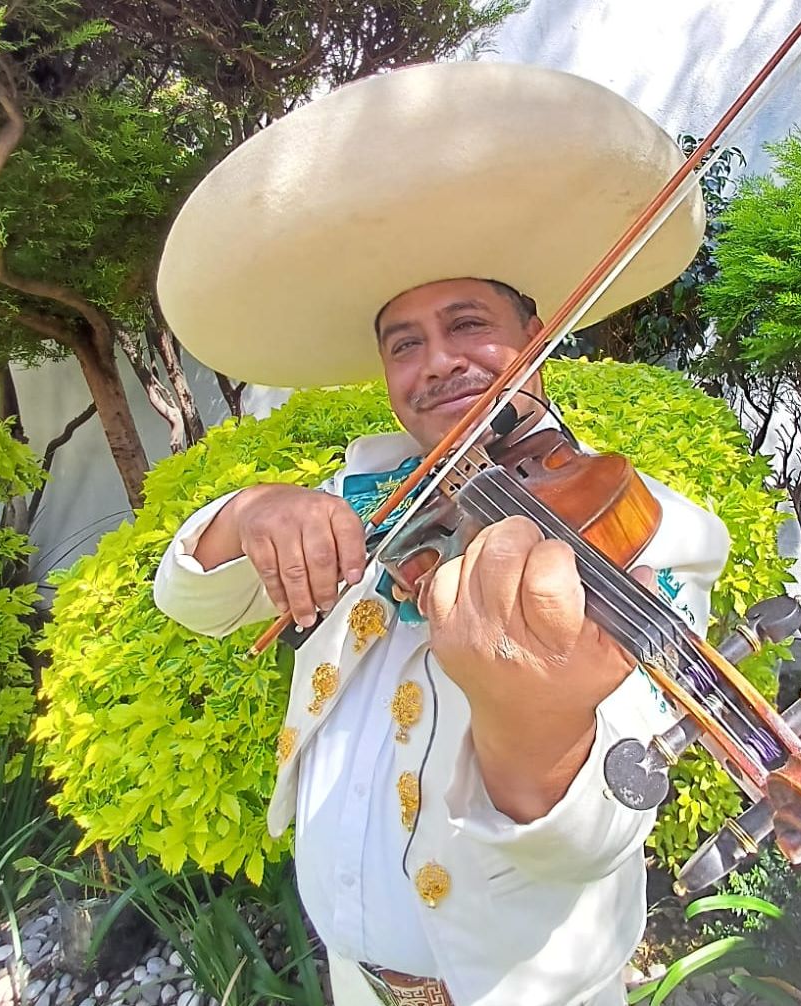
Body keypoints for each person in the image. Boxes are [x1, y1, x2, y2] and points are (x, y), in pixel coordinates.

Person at [152, 62, 728, 1006]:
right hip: (354, 982)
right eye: (404, 343)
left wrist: (535, 726)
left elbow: (602, 833)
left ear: (539, 335)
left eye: (470, 324)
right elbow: (189, 600)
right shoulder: (369, 491)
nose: (439, 363)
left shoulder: (644, 532)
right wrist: (255, 510)